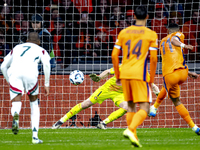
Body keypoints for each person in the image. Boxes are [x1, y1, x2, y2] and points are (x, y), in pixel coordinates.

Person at [52, 66, 160, 129]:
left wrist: (158, 95)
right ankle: (61, 121)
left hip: (121, 93)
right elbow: (108, 71)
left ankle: (103, 123)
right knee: (86, 104)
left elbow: (152, 85)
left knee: (127, 107)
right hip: (108, 88)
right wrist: (99, 78)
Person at [112, 6, 158, 147]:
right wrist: (152, 79)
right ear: (147, 17)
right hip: (140, 74)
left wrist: (118, 75)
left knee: (131, 107)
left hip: (125, 73)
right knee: (145, 108)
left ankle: (134, 138)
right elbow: (154, 59)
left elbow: (114, 55)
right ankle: (130, 129)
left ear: (134, 16)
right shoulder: (151, 34)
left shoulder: (124, 32)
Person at [148, 23, 200, 135]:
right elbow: (175, 46)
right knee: (171, 94)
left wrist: (184, 46)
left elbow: (173, 41)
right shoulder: (179, 34)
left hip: (170, 75)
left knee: (172, 94)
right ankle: (195, 127)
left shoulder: (162, 41)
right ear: (178, 29)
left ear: (168, 31)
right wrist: (189, 72)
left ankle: (154, 107)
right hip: (183, 72)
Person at [0, 32, 51, 144]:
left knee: (16, 103)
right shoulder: (41, 49)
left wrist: (9, 80)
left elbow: (3, 66)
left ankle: (16, 115)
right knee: (34, 104)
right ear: (39, 42)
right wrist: (46, 84)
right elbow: (47, 64)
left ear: (27, 40)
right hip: (30, 74)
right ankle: (35, 137)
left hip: (14, 73)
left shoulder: (17, 47)